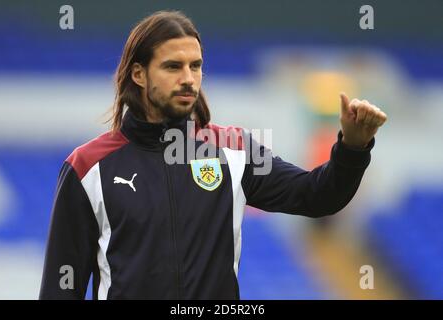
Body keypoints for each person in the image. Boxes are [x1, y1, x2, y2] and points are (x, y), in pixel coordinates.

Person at [39, 10, 387, 300]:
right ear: (139, 74)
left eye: (196, 66)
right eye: (173, 67)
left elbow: (317, 197)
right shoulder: (87, 166)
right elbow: (60, 287)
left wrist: (353, 148)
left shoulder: (235, 150)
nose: (189, 79)